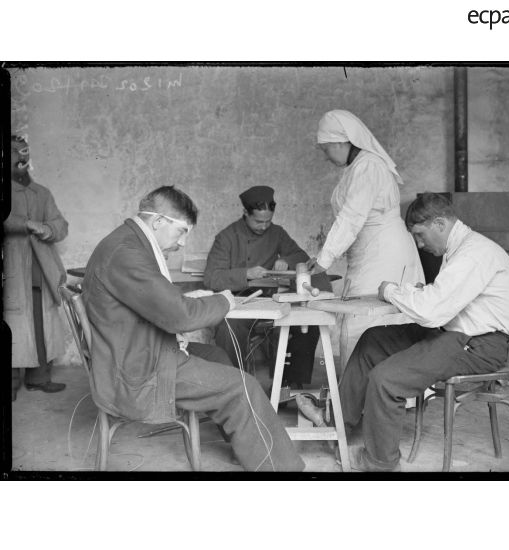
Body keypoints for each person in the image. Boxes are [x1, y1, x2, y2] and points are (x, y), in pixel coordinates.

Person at [82, 185, 303, 471]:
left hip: (134, 351)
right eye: (181, 231)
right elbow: (181, 318)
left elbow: (158, 303)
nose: (183, 242)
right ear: (158, 222)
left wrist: (188, 301)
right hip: (139, 369)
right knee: (244, 386)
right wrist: (224, 301)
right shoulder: (127, 253)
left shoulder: (126, 242)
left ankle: (248, 444)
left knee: (217, 356)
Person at [301, 193, 509, 471]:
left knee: (387, 379)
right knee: (373, 339)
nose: (419, 243)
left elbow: (431, 311)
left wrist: (391, 291)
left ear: (439, 224)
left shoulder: (474, 254)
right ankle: (335, 422)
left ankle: (379, 463)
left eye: (420, 234)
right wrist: (412, 293)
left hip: (477, 345)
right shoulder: (460, 248)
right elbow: (442, 298)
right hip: (454, 333)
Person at [308, 110, 425, 367]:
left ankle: (377, 394)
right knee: (359, 318)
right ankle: (362, 394)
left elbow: (351, 216)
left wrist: (323, 260)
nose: (326, 156)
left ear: (341, 141)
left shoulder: (369, 166)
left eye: (326, 149)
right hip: (371, 251)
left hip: (385, 253)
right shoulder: (359, 167)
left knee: (366, 318)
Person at [204, 185, 331, 389]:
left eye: (268, 221)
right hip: (237, 304)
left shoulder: (277, 233)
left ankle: (291, 388)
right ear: (245, 213)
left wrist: (287, 261)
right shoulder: (226, 237)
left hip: (269, 303)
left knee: (305, 322)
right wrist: (246, 273)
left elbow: (302, 258)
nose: (264, 226)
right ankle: (236, 388)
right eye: (258, 221)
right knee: (229, 329)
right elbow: (211, 278)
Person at [5, 136, 68, 401]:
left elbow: (61, 225)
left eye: (24, 154)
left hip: (41, 271)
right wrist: (28, 223)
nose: (22, 159)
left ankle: (39, 379)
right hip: (12, 270)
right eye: (15, 154)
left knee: (42, 324)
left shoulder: (42, 193)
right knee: (12, 324)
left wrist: (49, 229)